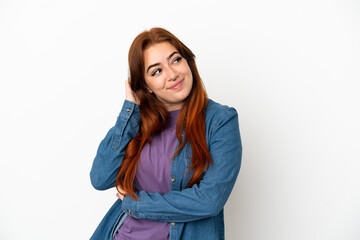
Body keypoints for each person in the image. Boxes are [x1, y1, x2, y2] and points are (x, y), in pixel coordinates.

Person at [90, 27, 242, 240]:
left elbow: (210, 200)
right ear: (146, 86)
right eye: (156, 71)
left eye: (176, 60)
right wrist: (129, 110)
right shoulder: (138, 122)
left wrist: (137, 203)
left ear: (188, 61)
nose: (172, 74)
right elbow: (100, 178)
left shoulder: (220, 121)